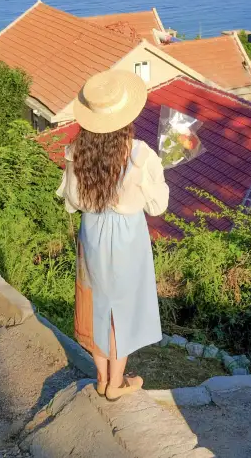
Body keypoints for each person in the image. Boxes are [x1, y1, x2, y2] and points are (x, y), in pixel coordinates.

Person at [56, 69, 169, 401]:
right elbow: (158, 206)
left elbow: (73, 202)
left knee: (95, 303)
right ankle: (115, 383)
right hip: (127, 237)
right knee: (123, 306)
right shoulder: (141, 154)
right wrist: (151, 178)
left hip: (91, 232)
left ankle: (103, 377)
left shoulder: (77, 152)